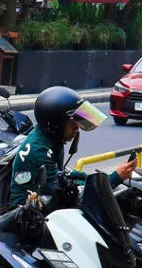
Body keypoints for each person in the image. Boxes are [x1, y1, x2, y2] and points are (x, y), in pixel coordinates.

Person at [9, 85, 137, 206]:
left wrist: (87, 178)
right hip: (27, 217)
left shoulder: (49, 139)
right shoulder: (40, 152)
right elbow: (68, 193)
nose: (77, 129)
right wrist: (115, 178)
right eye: (73, 125)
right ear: (56, 123)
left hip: (45, 200)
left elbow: (62, 178)